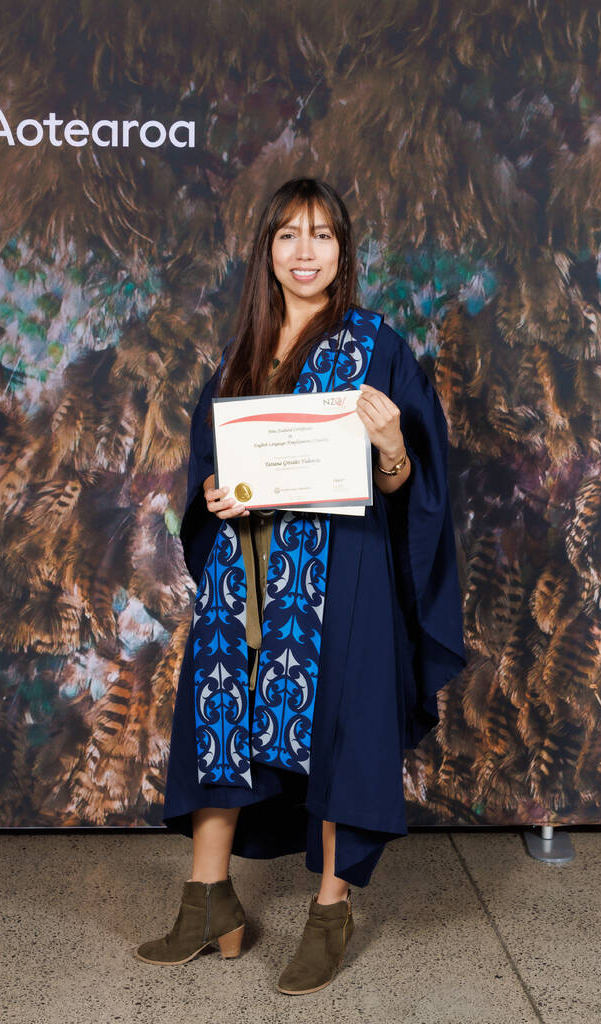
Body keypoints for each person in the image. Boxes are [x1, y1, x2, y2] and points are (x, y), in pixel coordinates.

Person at [136, 178, 467, 995]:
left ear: (343, 252)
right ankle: (208, 901)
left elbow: (410, 487)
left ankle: (329, 911)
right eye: (288, 235)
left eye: (322, 235)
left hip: (339, 572)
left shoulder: (376, 346)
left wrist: (390, 446)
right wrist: (211, 496)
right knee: (218, 714)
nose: (305, 251)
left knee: (338, 729)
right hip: (240, 575)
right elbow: (208, 471)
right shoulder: (242, 352)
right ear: (268, 251)